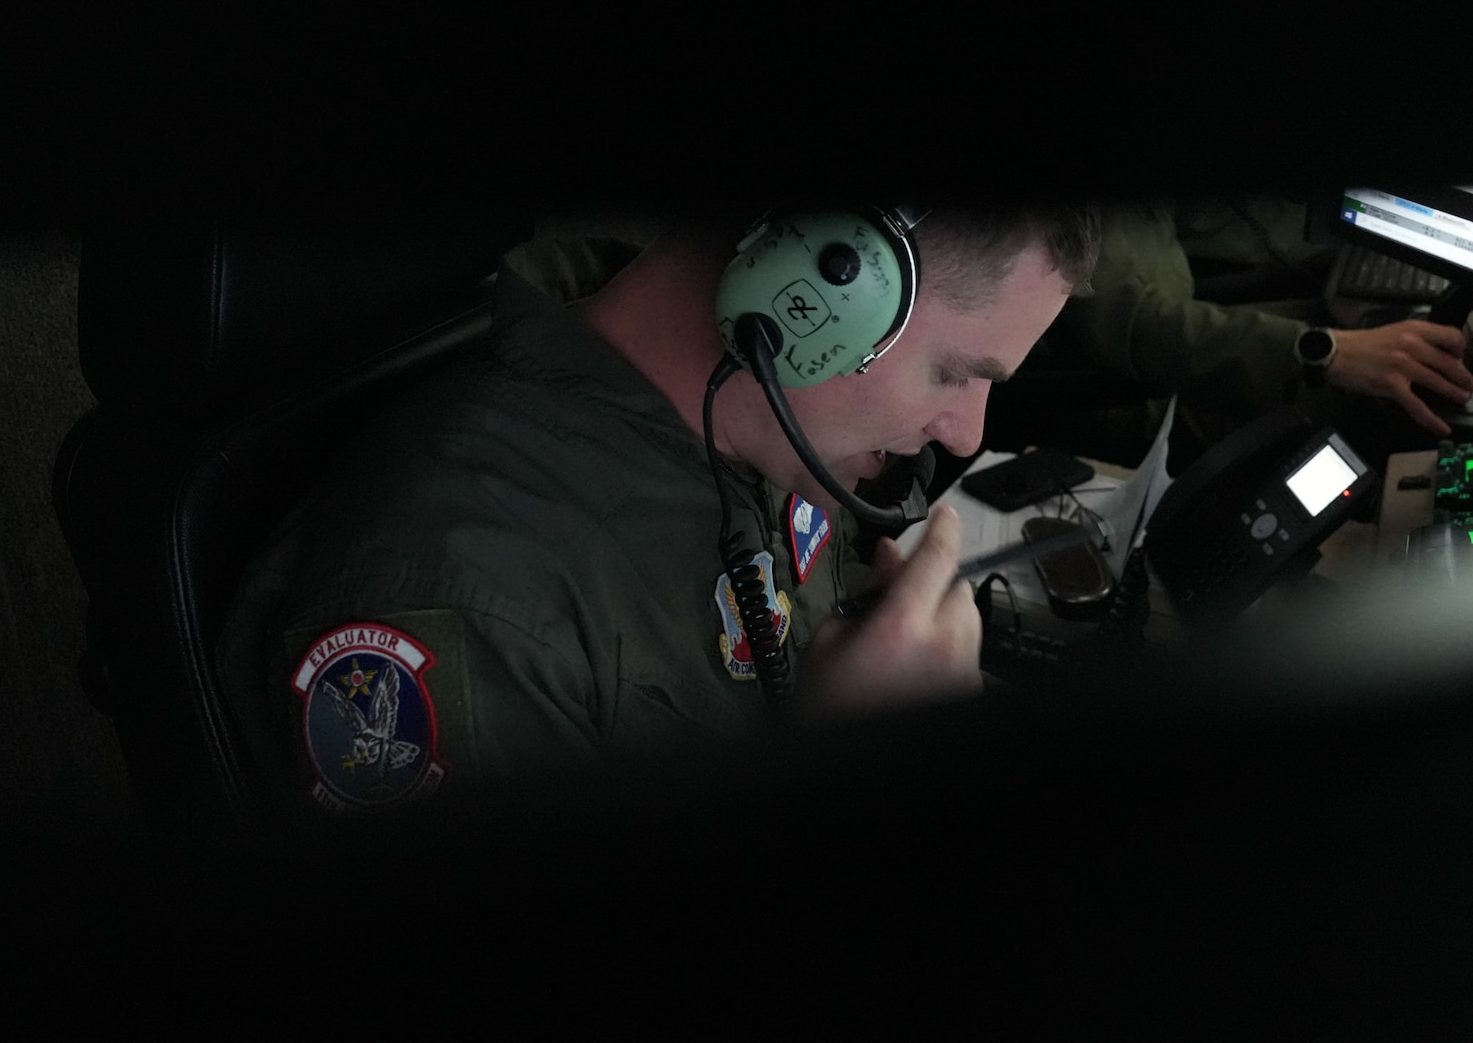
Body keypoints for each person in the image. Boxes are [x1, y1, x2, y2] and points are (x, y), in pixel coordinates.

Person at [214, 203, 1099, 814]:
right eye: (956, 372)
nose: (966, 433)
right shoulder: (467, 598)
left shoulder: (760, 441)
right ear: (813, 294)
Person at [1003, 202, 1473, 469]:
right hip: (1129, 394)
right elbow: (1148, 329)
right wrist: (1325, 353)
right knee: (1393, 399)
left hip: (1185, 343)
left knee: (1413, 343)